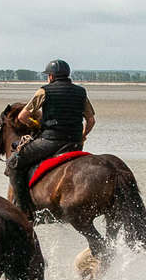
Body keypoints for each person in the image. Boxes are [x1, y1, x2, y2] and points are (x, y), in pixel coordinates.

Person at [6, 59, 95, 218]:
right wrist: (82, 136)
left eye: (48, 76)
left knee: (13, 162)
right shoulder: (81, 92)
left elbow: (22, 117)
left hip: (50, 142)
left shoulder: (44, 91)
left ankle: (23, 208)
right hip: (74, 143)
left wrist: (36, 125)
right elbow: (91, 121)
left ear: (51, 77)